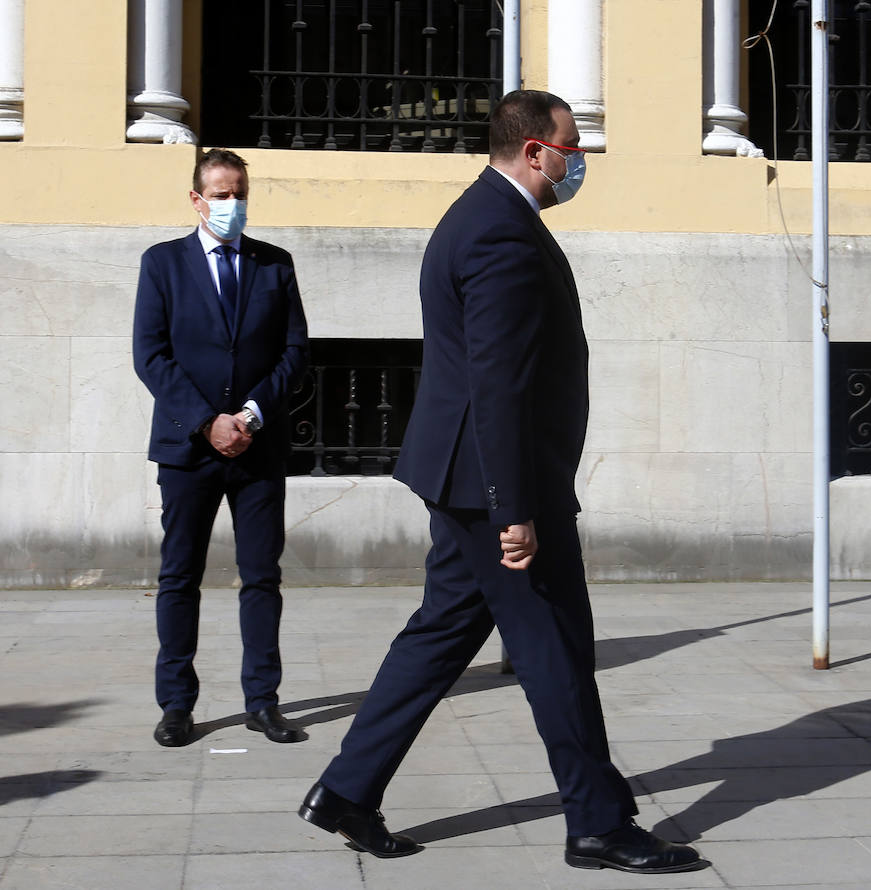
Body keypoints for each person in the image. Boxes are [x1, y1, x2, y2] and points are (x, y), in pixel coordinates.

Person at [298, 90, 705, 874]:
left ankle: (346, 791)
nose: (579, 161)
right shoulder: (500, 233)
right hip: (497, 485)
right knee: (556, 648)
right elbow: (498, 382)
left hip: (469, 476)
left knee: (441, 634)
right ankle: (598, 823)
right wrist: (513, 507)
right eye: (572, 147)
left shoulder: (482, 215)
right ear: (534, 152)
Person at [132, 148, 311, 747]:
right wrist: (208, 421)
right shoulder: (162, 264)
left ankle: (263, 701)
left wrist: (251, 415)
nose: (231, 204)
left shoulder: (274, 265)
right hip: (188, 449)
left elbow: (294, 352)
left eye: (240, 194)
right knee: (179, 577)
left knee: (261, 577)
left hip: (258, 447)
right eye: (220, 194)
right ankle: (176, 704)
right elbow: (151, 355)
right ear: (196, 199)